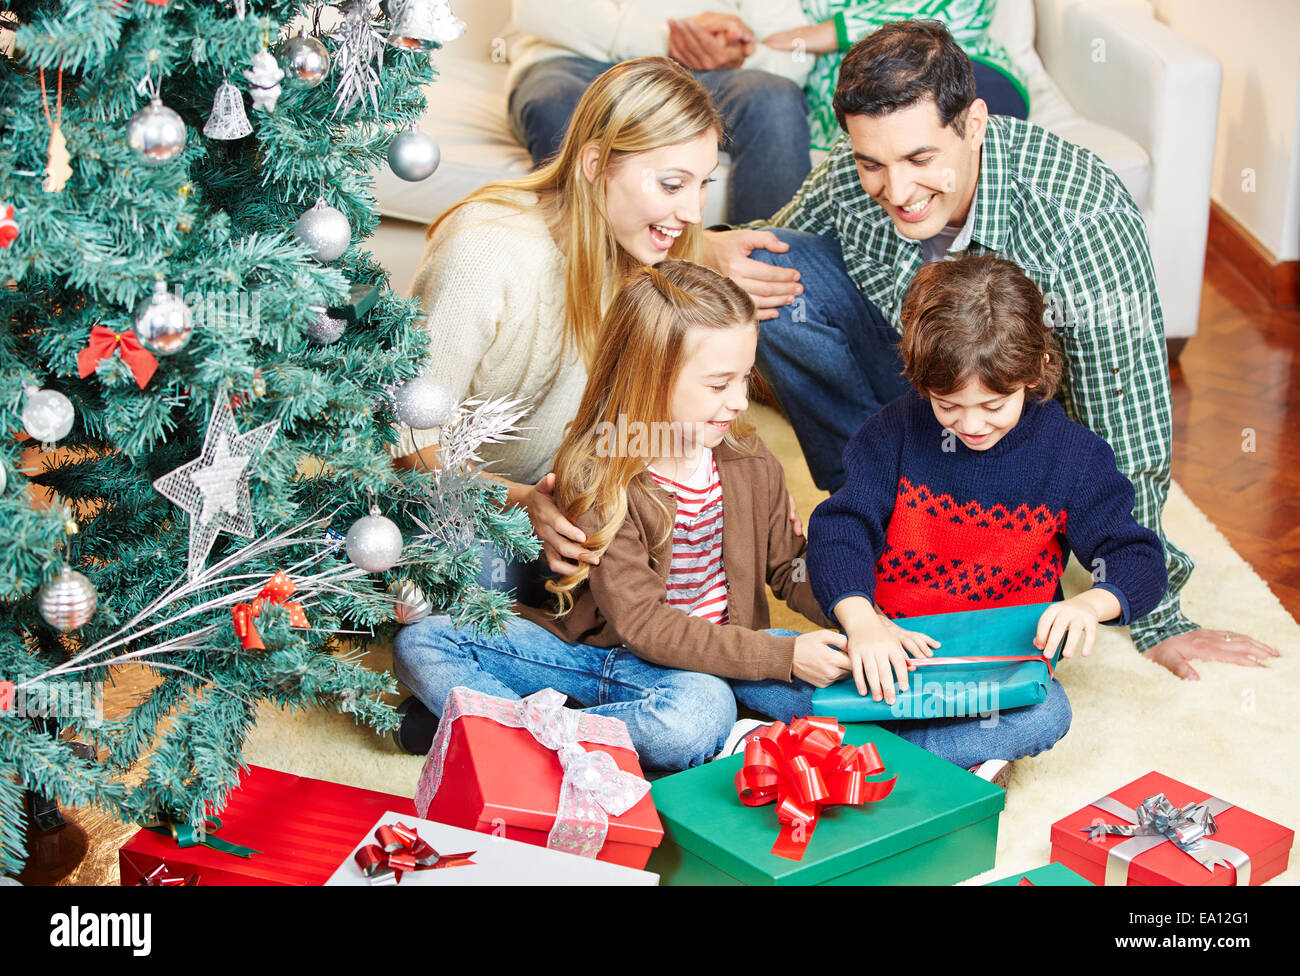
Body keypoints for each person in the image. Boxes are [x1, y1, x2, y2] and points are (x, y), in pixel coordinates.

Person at [700, 19, 1278, 678]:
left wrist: (1150, 607)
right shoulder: (860, 173)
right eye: (871, 163)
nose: (898, 189)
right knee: (767, 286)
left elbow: (1129, 410)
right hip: (911, 402)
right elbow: (770, 244)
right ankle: (876, 514)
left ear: (973, 123)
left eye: (920, 159)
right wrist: (710, 243)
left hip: (1017, 432)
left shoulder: (1081, 214)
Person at [393, 261, 853, 771]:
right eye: (719, 384)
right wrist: (781, 660)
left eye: (745, 378)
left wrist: (855, 612)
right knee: (422, 641)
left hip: (727, 655)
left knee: (851, 678)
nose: (740, 401)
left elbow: (788, 566)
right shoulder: (601, 475)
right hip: (615, 660)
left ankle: (493, 723)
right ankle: (552, 735)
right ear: (651, 378)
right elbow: (647, 626)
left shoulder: (748, 457)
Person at [390, 58, 725, 751]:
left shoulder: (649, 261)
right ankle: (538, 698)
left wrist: (601, 510)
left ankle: (489, 712)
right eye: (671, 184)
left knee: (677, 581)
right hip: (459, 507)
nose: (690, 212)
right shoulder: (488, 254)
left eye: (701, 185)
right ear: (597, 162)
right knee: (459, 586)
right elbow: (401, 449)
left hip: (550, 513)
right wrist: (523, 504)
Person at [804, 255, 1168, 772]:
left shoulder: (1072, 455)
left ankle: (869, 750)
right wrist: (863, 623)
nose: (970, 425)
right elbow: (840, 529)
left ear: (1037, 369)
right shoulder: (894, 430)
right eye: (947, 404)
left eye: (994, 405)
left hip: (997, 665)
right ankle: (946, 752)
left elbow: (1136, 557)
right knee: (770, 660)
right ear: (918, 378)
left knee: (1047, 716)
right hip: (889, 650)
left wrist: (1091, 606)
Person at [504, 1, 814, 222]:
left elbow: (797, 51)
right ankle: (590, 287)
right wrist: (664, 43)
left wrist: (737, 54)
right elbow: (538, 9)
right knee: (558, 104)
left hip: (708, 72)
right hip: (576, 62)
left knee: (775, 100)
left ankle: (764, 291)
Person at [763, 0, 1029, 150]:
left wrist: (834, 33)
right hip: (845, 92)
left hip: (958, 61)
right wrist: (799, 47)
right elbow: (792, 43)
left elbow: (966, 8)